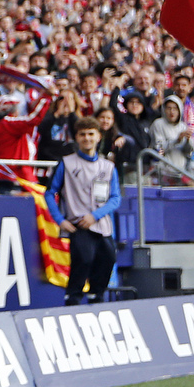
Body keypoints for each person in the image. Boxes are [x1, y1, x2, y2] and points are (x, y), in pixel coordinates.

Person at [45, 117, 122, 306]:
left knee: (108, 258)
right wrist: (60, 220)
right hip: (78, 225)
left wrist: (95, 215)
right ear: (77, 138)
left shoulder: (108, 167)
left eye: (90, 134)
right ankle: (73, 299)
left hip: (101, 225)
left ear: (98, 137)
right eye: (82, 134)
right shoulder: (67, 163)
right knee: (84, 260)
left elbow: (115, 198)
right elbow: (49, 193)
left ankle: (97, 298)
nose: (87, 138)